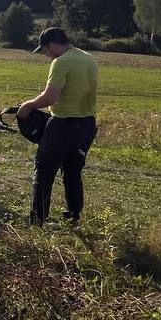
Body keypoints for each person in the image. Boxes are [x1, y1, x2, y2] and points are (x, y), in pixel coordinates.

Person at [18, 26, 99, 226]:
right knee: (73, 171)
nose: (46, 55)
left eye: (45, 50)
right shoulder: (88, 58)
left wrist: (28, 105)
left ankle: (37, 221)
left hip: (63, 125)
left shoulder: (61, 62)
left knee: (43, 171)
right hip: (87, 125)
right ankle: (72, 217)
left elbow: (50, 97)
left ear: (53, 44)